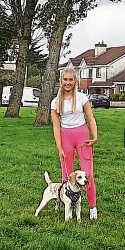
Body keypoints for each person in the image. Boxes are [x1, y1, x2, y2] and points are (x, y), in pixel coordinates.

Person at [51, 67, 99, 219]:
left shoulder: (82, 98)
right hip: (66, 138)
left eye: (71, 80)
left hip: (82, 137)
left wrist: (95, 136)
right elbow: (56, 126)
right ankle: (66, 204)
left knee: (88, 174)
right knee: (67, 176)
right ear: (61, 81)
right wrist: (59, 147)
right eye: (65, 79)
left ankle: (92, 207)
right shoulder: (55, 102)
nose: (68, 82)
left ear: (75, 81)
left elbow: (90, 119)